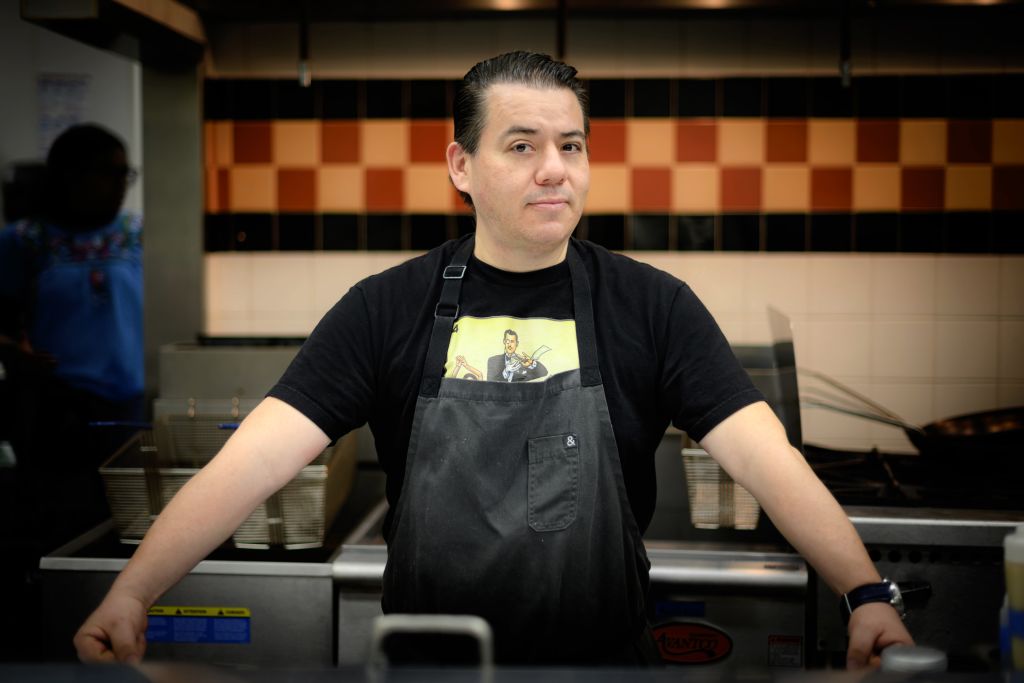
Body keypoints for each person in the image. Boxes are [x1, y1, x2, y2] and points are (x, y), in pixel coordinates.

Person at [74, 52, 912, 667]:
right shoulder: (386, 308)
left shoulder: (650, 305)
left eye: (573, 146)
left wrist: (865, 592)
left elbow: (768, 458)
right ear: (461, 166)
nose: (556, 170)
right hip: (433, 665)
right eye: (521, 146)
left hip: (603, 667)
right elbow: (253, 460)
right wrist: (133, 590)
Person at [0, 123, 144, 426]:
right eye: (108, 173)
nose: (120, 185)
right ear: (70, 176)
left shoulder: (136, 235)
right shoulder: (24, 240)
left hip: (131, 404)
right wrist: (16, 356)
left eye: (124, 174)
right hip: (54, 410)